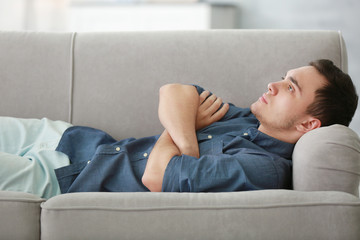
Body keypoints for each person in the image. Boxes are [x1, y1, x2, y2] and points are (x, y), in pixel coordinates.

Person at [0, 59, 358, 198]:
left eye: (290, 87)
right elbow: (175, 92)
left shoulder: (262, 167)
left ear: (308, 124)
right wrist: (189, 140)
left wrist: (177, 132)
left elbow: (157, 177)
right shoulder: (249, 119)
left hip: (64, 179)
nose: (273, 85)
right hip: (72, 139)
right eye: (283, 77)